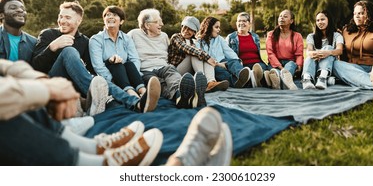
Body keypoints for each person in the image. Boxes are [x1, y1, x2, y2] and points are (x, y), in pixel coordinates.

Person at [0, 59, 232, 166]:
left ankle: (95, 149)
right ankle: (101, 164)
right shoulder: (54, 39)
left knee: (150, 66)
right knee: (112, 69)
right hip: (95, 81)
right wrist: (45, 87)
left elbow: (8, 68)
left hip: (59, 92)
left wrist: (42, 84)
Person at [32, 1, 158, 114]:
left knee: (98, 79)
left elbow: (91, 72)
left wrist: (81, 66)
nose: (62, 21)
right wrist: (52, 47)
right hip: (51, 81)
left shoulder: (84, 41)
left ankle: (136, 103)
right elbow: (34, 67)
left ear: (79, 21)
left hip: (75, 86)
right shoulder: (48, 35)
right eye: (60, 16)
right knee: (69, 52)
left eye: (67, 17)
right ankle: (109, 99)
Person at [128, 9, 207, 109]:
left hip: (164, 66)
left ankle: (181, 94)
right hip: (145, 69)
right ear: (147, 25)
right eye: (157, 22)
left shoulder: (164, 36)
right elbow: (124, 50)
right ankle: (181, 98)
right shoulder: (133, 34)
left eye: (161, 21)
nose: (162, 24)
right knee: (159, 84)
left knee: (173, 76)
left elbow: (170, 54)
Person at [89, 6, 160, 106]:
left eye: (114, 15)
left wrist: (130, 77)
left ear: (121, 21)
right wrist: (113, 80)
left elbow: (135, 59)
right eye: (107, 15)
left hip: (127, 75)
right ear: (104, 20)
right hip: (110, 77)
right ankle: (133, 95)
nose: (110, 17)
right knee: (116, 64)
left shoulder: (126, 39)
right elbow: (98, 66)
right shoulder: (96, 40)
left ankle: (144, 92)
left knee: (129, 64)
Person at [333, 0, 373, 95]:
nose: (356, 16)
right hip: (355, 68)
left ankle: (360, 80)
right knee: (336, 65)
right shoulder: (347, 30)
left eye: (361, 13)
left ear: (370, 14)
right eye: (355, 14)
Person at [168, 15, 229, 93]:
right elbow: (187, 48)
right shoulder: (176, 37)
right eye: (184, 27)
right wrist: (207, 57)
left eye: (190, 29)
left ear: (194, 32)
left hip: (190, 73)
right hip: (176, 71)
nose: (186, 30)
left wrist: (214, 61)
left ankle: (210, 82)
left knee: (204, 57)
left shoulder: (193, 42)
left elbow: (203, 56)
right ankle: (202, 81)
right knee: (196, 54)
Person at [195, 16, 250, 88]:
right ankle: (237, 82)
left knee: (233, 62)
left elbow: (229, 51)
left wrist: (237, 60)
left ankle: (241, 74)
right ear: (208, 27)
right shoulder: (199, 42)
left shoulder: (219, 39)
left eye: (219, 27)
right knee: (221, 72)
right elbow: (202, 58)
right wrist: (219, 64)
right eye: (216, 27)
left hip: (224, 62)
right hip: (213, 65)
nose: (219, 29)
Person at [301, 11, 344, 90]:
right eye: (318, 20)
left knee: (328, 48)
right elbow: (309, 50)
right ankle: (307, 79)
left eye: (322, 19)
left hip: (330, 66)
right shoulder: (311, 36)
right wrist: (314, 53)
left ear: (329, 20)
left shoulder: (337, 35)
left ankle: (322, 78)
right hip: (314, 65)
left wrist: (328, 52)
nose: (320, 22)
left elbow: (340, 50)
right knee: (310, 56)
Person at [226, 12, 270, 88]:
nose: (241, 23)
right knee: (243, 71)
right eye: (239, 21)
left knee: (266, 71)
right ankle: (253, 78)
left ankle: (258, 79)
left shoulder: (255, 36)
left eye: (244, 21)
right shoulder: (231, 37)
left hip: (257, 64)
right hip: (242, 65)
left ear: (249, 24)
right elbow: (227, 54)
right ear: (236, 23)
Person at [266, 9, 304, 90]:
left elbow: (299, 54)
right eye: (280, 16)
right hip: (275, 63)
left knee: (290, 65)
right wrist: (282, 69)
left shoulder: (297, 36)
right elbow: (270, 53)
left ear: (291, 21)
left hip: (290, 63)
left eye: (285, 16)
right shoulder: (271, 34)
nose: (281, 18)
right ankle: (283, 80)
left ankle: (278, 81)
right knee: (275, 71)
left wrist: (299, 66)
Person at [0, 0, 37, 64]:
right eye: (13, 8)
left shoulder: (34, 43)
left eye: (23, 9)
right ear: (1, 15)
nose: (20, 10)